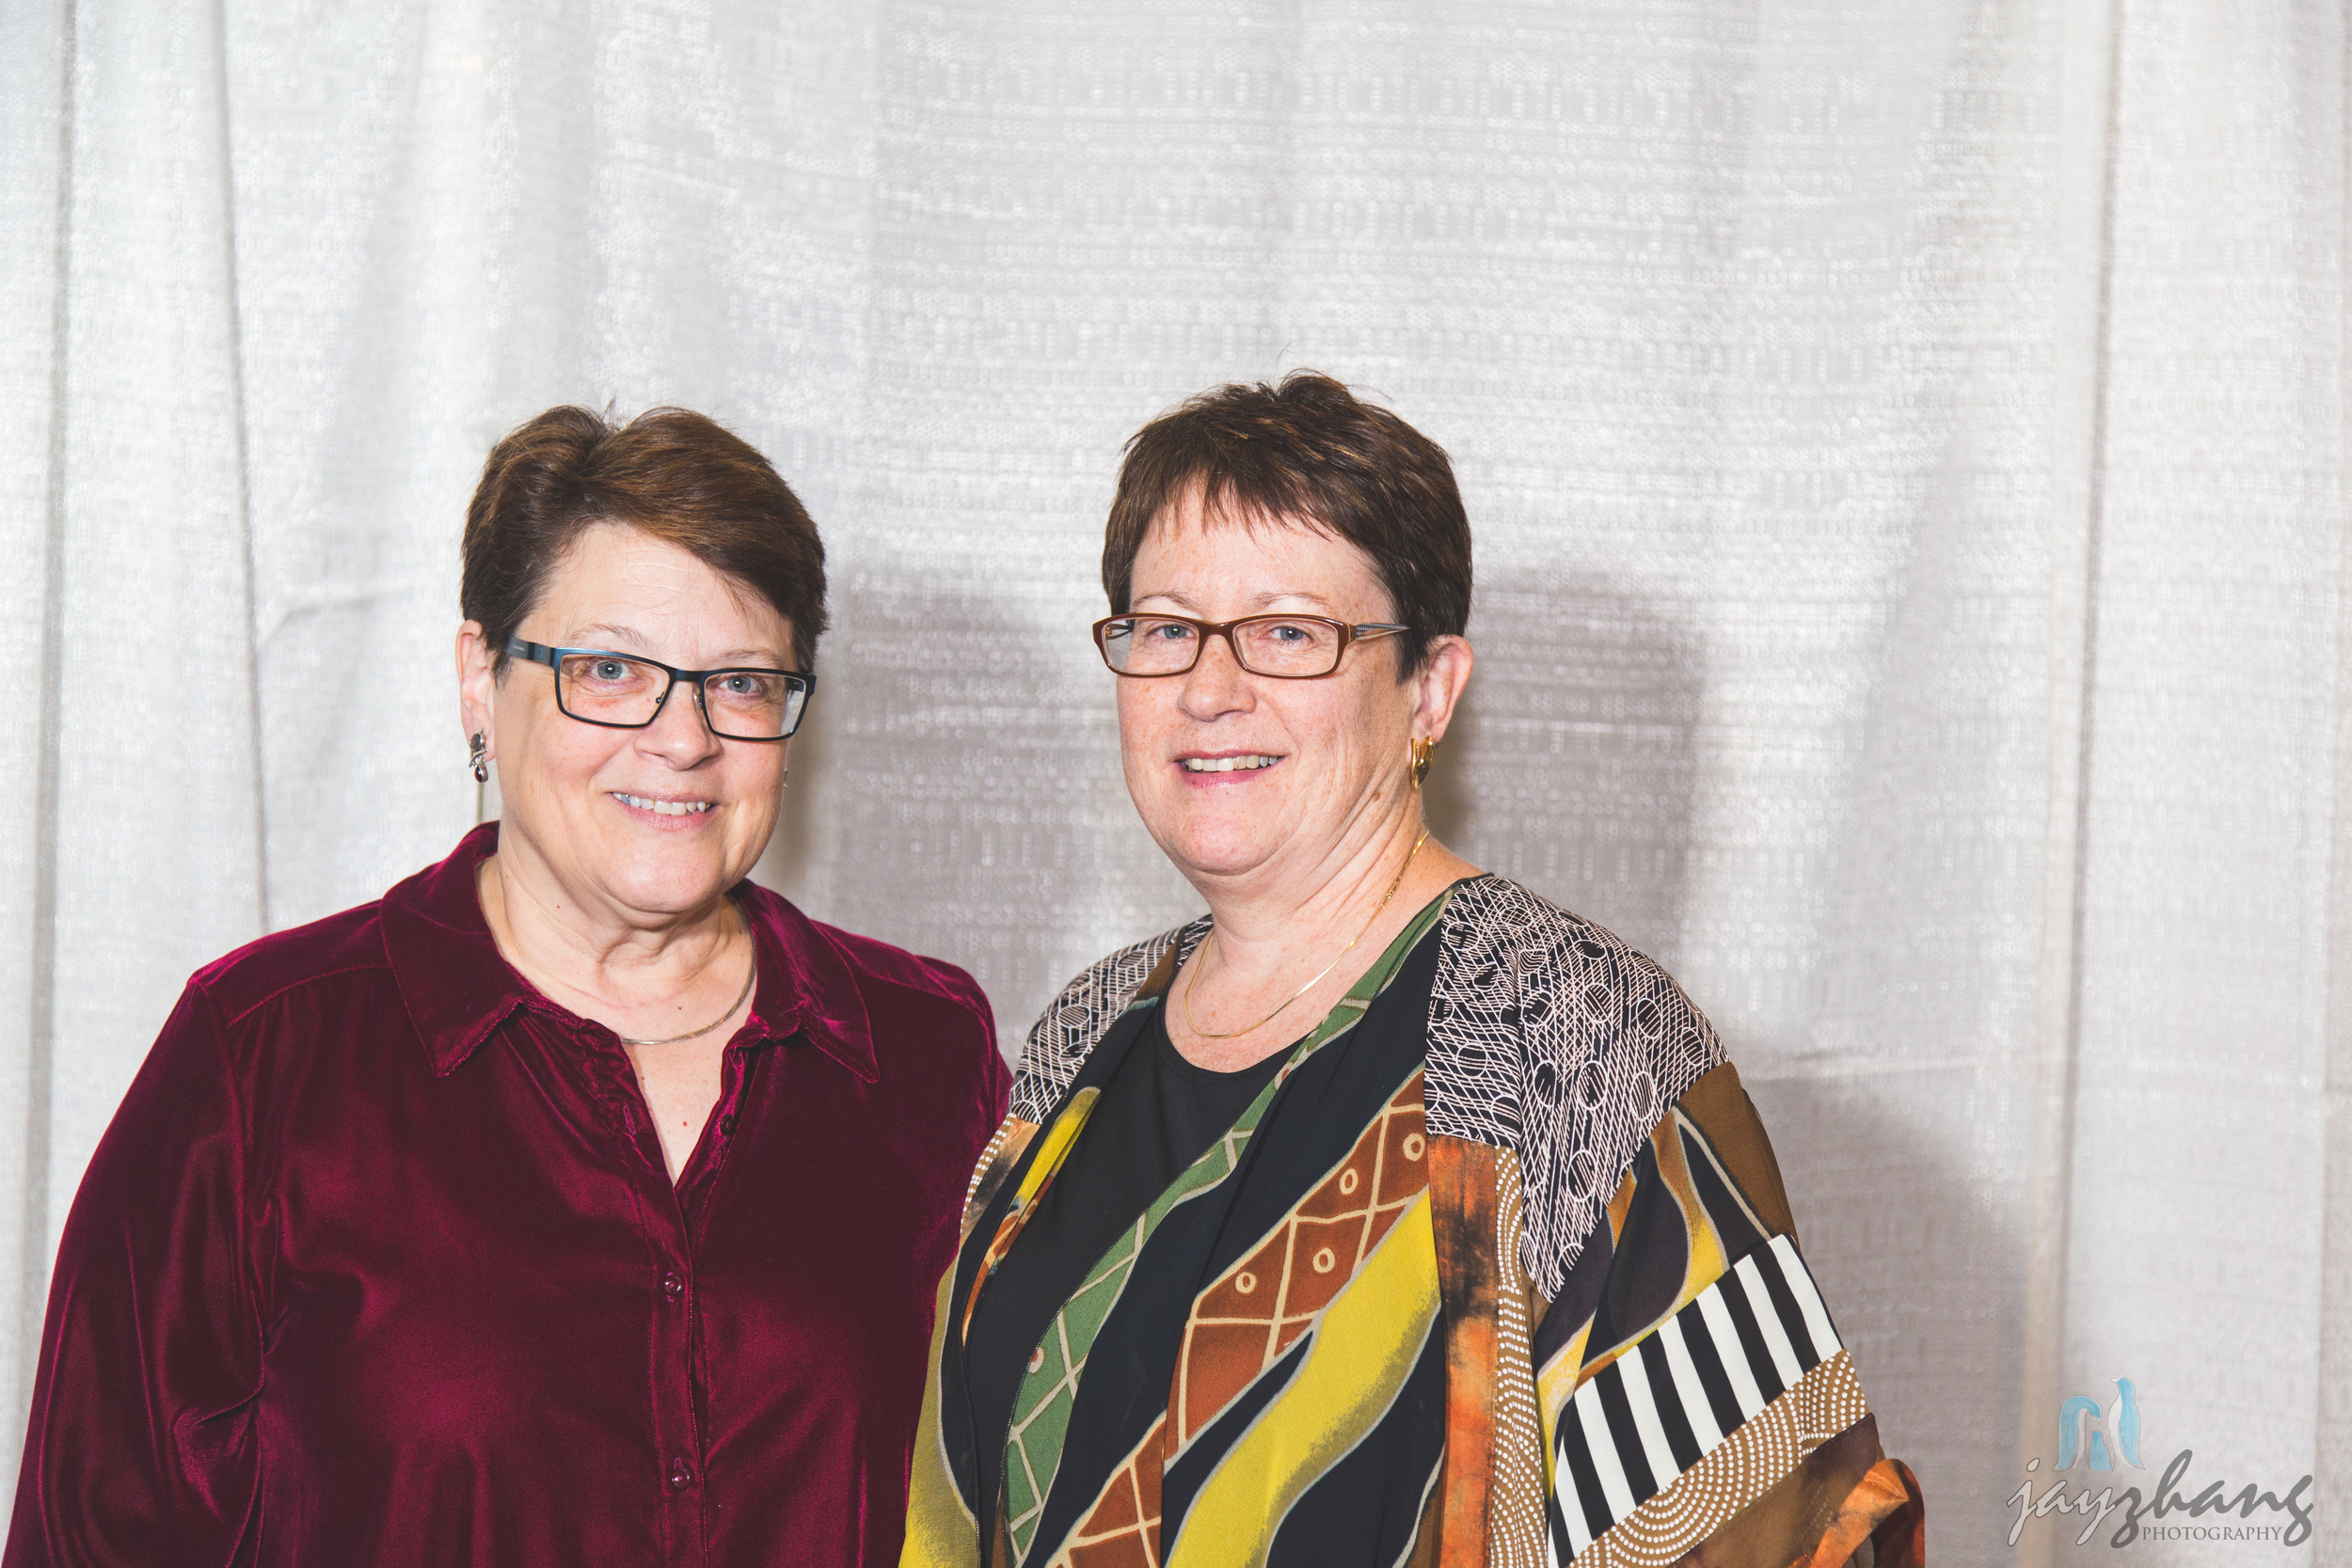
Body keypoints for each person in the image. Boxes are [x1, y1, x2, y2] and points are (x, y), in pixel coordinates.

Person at [901, 373, 1924, 1568]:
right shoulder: (1088, 1030)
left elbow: (1763, 1525)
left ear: (1428, 690)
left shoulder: (1577, 1031)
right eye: (1167, 628)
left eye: (1288, 632)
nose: (1209, 689)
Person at [6, 406, 1009, 1567]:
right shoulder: (261, 1055)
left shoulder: (925, 1052)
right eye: (610, 670)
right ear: (481, 679)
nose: (682, 737)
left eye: (738, 681)